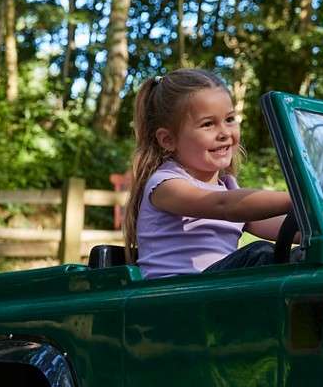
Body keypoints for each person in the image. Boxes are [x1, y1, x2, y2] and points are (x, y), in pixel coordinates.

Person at [123, 69, 292, 279]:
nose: (224, 133)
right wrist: (299, 199)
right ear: (168, 140)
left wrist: (321, 216)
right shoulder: (165, 185)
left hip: (214, 289)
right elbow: (224, 205)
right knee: (259, 254)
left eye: (229, 119)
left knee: (304, 257)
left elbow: (289, 229)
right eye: (208, 124)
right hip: (176, 292)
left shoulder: (228, 187)